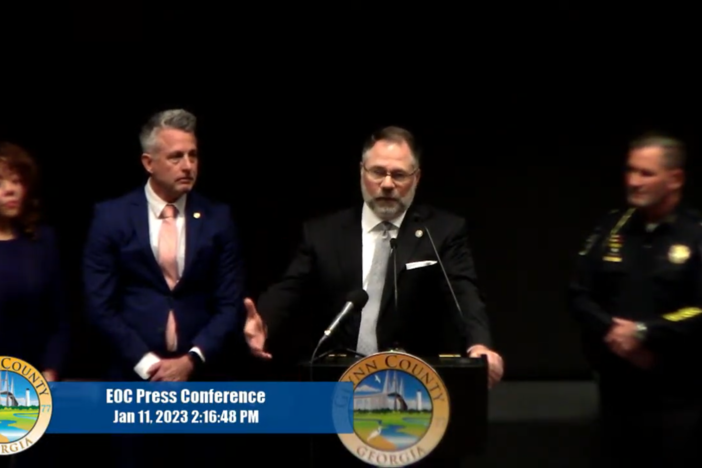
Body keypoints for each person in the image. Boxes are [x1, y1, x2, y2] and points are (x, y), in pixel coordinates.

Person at [244, 126, 504, 384]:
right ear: (362, 172)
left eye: (399, 175)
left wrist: (479, 345)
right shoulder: (324, 233)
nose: (388, 184)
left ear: (416, 178)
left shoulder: (442, 232)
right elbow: (290, 288)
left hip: (415, 381)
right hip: (338, 377)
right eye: (378, 172)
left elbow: (464, 293)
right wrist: (264, 322)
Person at [82, 109, 245, 467]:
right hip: (133, 381)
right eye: (176, 156)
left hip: (204, 381)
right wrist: (150, 366)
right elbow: (100, 305)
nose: (188, 165)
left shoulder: (218, 217)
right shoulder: (111, 217)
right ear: (149, 162)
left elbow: (230, 302)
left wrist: (191, 360)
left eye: (193, 155)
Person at [569, 134, 702, 466]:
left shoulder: (696, 233)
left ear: (675, 179)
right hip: (617, 391)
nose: (633, 181)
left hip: (680, 395)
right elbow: (578, 293)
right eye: (630, 171)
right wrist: (616, 335)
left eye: (646, 173)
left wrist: (645, 332)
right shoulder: (612, 227)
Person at [0, 142, 70, 467]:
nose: (10, 190)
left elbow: (59, 318)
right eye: (1, 182)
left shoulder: (43, 242)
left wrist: (50, 372)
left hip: (33, 388)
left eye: (16, 180)